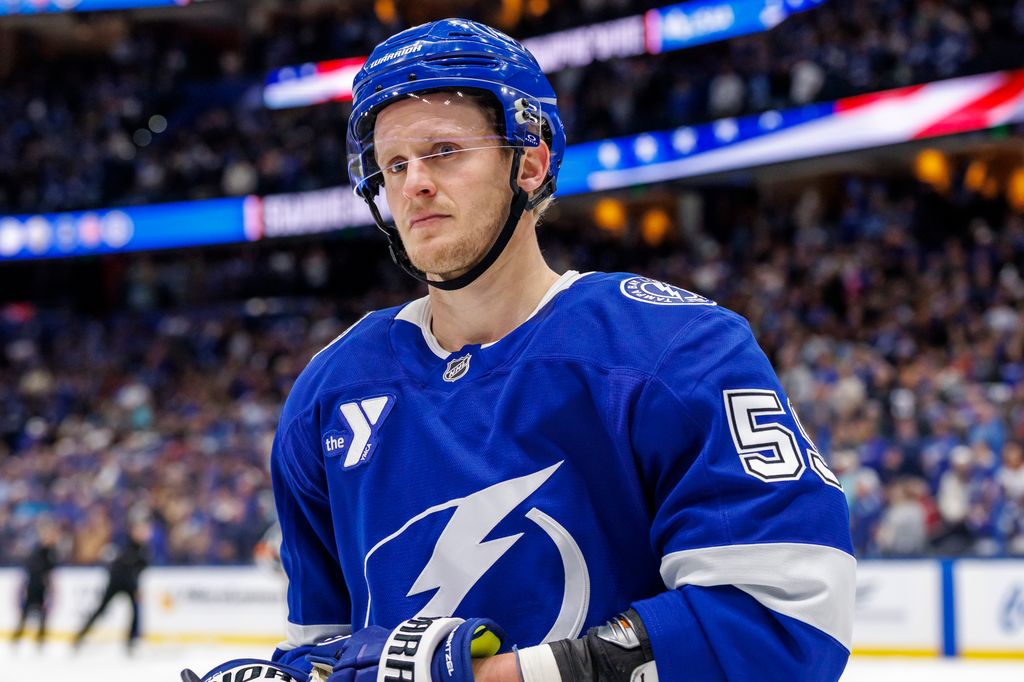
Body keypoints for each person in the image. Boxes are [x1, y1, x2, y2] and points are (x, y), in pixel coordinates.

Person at [186, 17, 855, 682]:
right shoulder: (328, 392)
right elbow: (332, 648)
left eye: (444, 150)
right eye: (393, 164)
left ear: (529, 163)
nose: (413, 181)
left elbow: (784, 619)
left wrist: (499, 677)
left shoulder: (676, 349)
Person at [73, 520, 151, 653]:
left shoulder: (143, 550)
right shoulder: (126, 546)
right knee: (101, 610)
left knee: (135, 612)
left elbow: (138, 570)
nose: (144, 534)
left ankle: (131, 641)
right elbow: (121, 568)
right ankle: (80, 636)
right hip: (116, 583)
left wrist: (136, 587)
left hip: (130, 585)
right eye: (141, 531)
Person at [11, 518, 60, 649]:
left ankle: (40, 638)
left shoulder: (52, 551)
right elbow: (30, 567)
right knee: (26, 613)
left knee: (43, 615)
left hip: (43, 587)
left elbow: (52, 568)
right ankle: (17, 637)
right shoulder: (37, 550)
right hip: (33, 585)